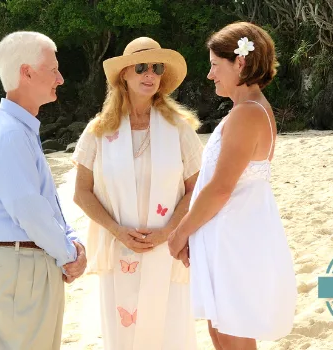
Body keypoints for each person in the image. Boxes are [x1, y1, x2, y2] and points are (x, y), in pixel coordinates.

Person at [167, 22, 297, 350]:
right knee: (221, 331)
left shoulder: (247, 114)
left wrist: (180, 232)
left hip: (233, 238)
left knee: (231, 332)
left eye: (214, 65)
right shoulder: (245, 110)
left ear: (239, 63)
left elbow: (221, 188)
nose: (210, 75)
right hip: (228, 235)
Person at [71, 37, 202, 349]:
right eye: (141, 66)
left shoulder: (180, 128)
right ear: (124, 75)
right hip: (119, 251)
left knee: (169, 334)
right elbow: (81, 193)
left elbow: (195, 189)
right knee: (125, 337)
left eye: (156, 68)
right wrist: (117, 230)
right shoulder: (99, 130)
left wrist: (168, 231)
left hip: (167, 247)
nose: (150, 74)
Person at [0, 31, 88, 350]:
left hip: (28, 262)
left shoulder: (17, 129)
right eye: (53, 69)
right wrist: (69, 253)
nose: (61, 79)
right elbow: (28, 209)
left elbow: (41, 202)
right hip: (23, 265)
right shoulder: (10, 134)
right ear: (27, 72)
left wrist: (70, 242)